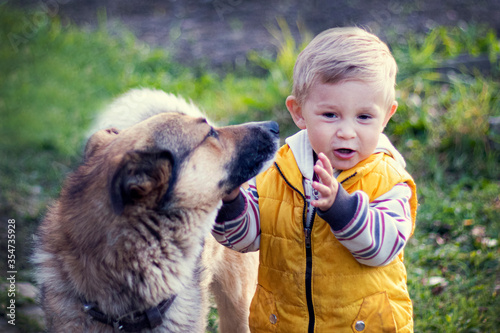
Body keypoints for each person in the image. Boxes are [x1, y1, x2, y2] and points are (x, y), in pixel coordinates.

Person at [212, 27, 418, 333]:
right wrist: (230, 201)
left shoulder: (388, 180)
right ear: (299, 113)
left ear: (386, 116)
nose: (347, 131)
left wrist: (342, 208)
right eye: (331, 115)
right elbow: (243, 239)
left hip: (363, 325)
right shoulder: (278, 171)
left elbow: (381, 248)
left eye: (364, 117)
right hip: (285, 323)